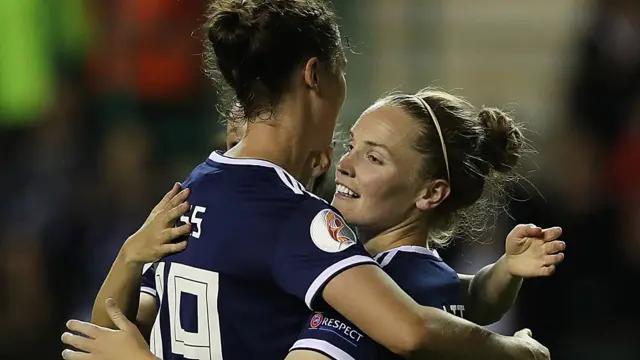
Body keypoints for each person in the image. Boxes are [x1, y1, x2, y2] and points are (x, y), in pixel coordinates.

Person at [61, 1, 552, 359]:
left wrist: (128, 255)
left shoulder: (194, 188)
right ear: (315, 75)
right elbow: (411, 329)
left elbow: (103, 338)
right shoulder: (300, 221)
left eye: (374, 156)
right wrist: (516, 353)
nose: (345, 161)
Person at [287, 89, 565, 359]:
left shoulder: (379, 288)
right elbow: (477, 301)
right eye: (352, 146)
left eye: (374, 158)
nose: (344, 163)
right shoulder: (433, 277)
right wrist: (507, 269)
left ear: (430, 193)